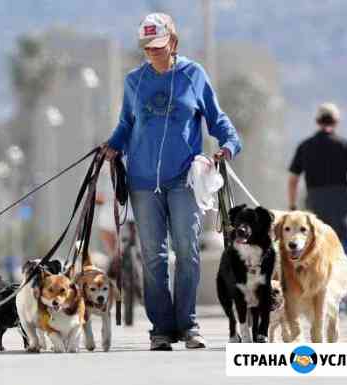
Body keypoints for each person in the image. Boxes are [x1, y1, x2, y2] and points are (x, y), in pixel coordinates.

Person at [102, 13, 242, 351]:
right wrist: (112, 145)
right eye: (147, 47)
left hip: (183, 180)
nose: (152, 53)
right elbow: (126, 124)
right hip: (142, 182)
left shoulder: (193, 75)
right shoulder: (134, 81)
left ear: (173, 42)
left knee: (188, 251)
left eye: (159, 46)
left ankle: (188, 324)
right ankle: (161, 329)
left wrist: (228, 144)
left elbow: (217, 118)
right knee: (154, 256)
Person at [288, 102, 347, 257]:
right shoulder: (346, 146)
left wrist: (292, 206)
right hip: (341, 210)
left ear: (317, 121)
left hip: (315, 207)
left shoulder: (305, 146)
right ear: (336, 121)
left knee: (317, 248)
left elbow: (293, 180)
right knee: (341, 251)